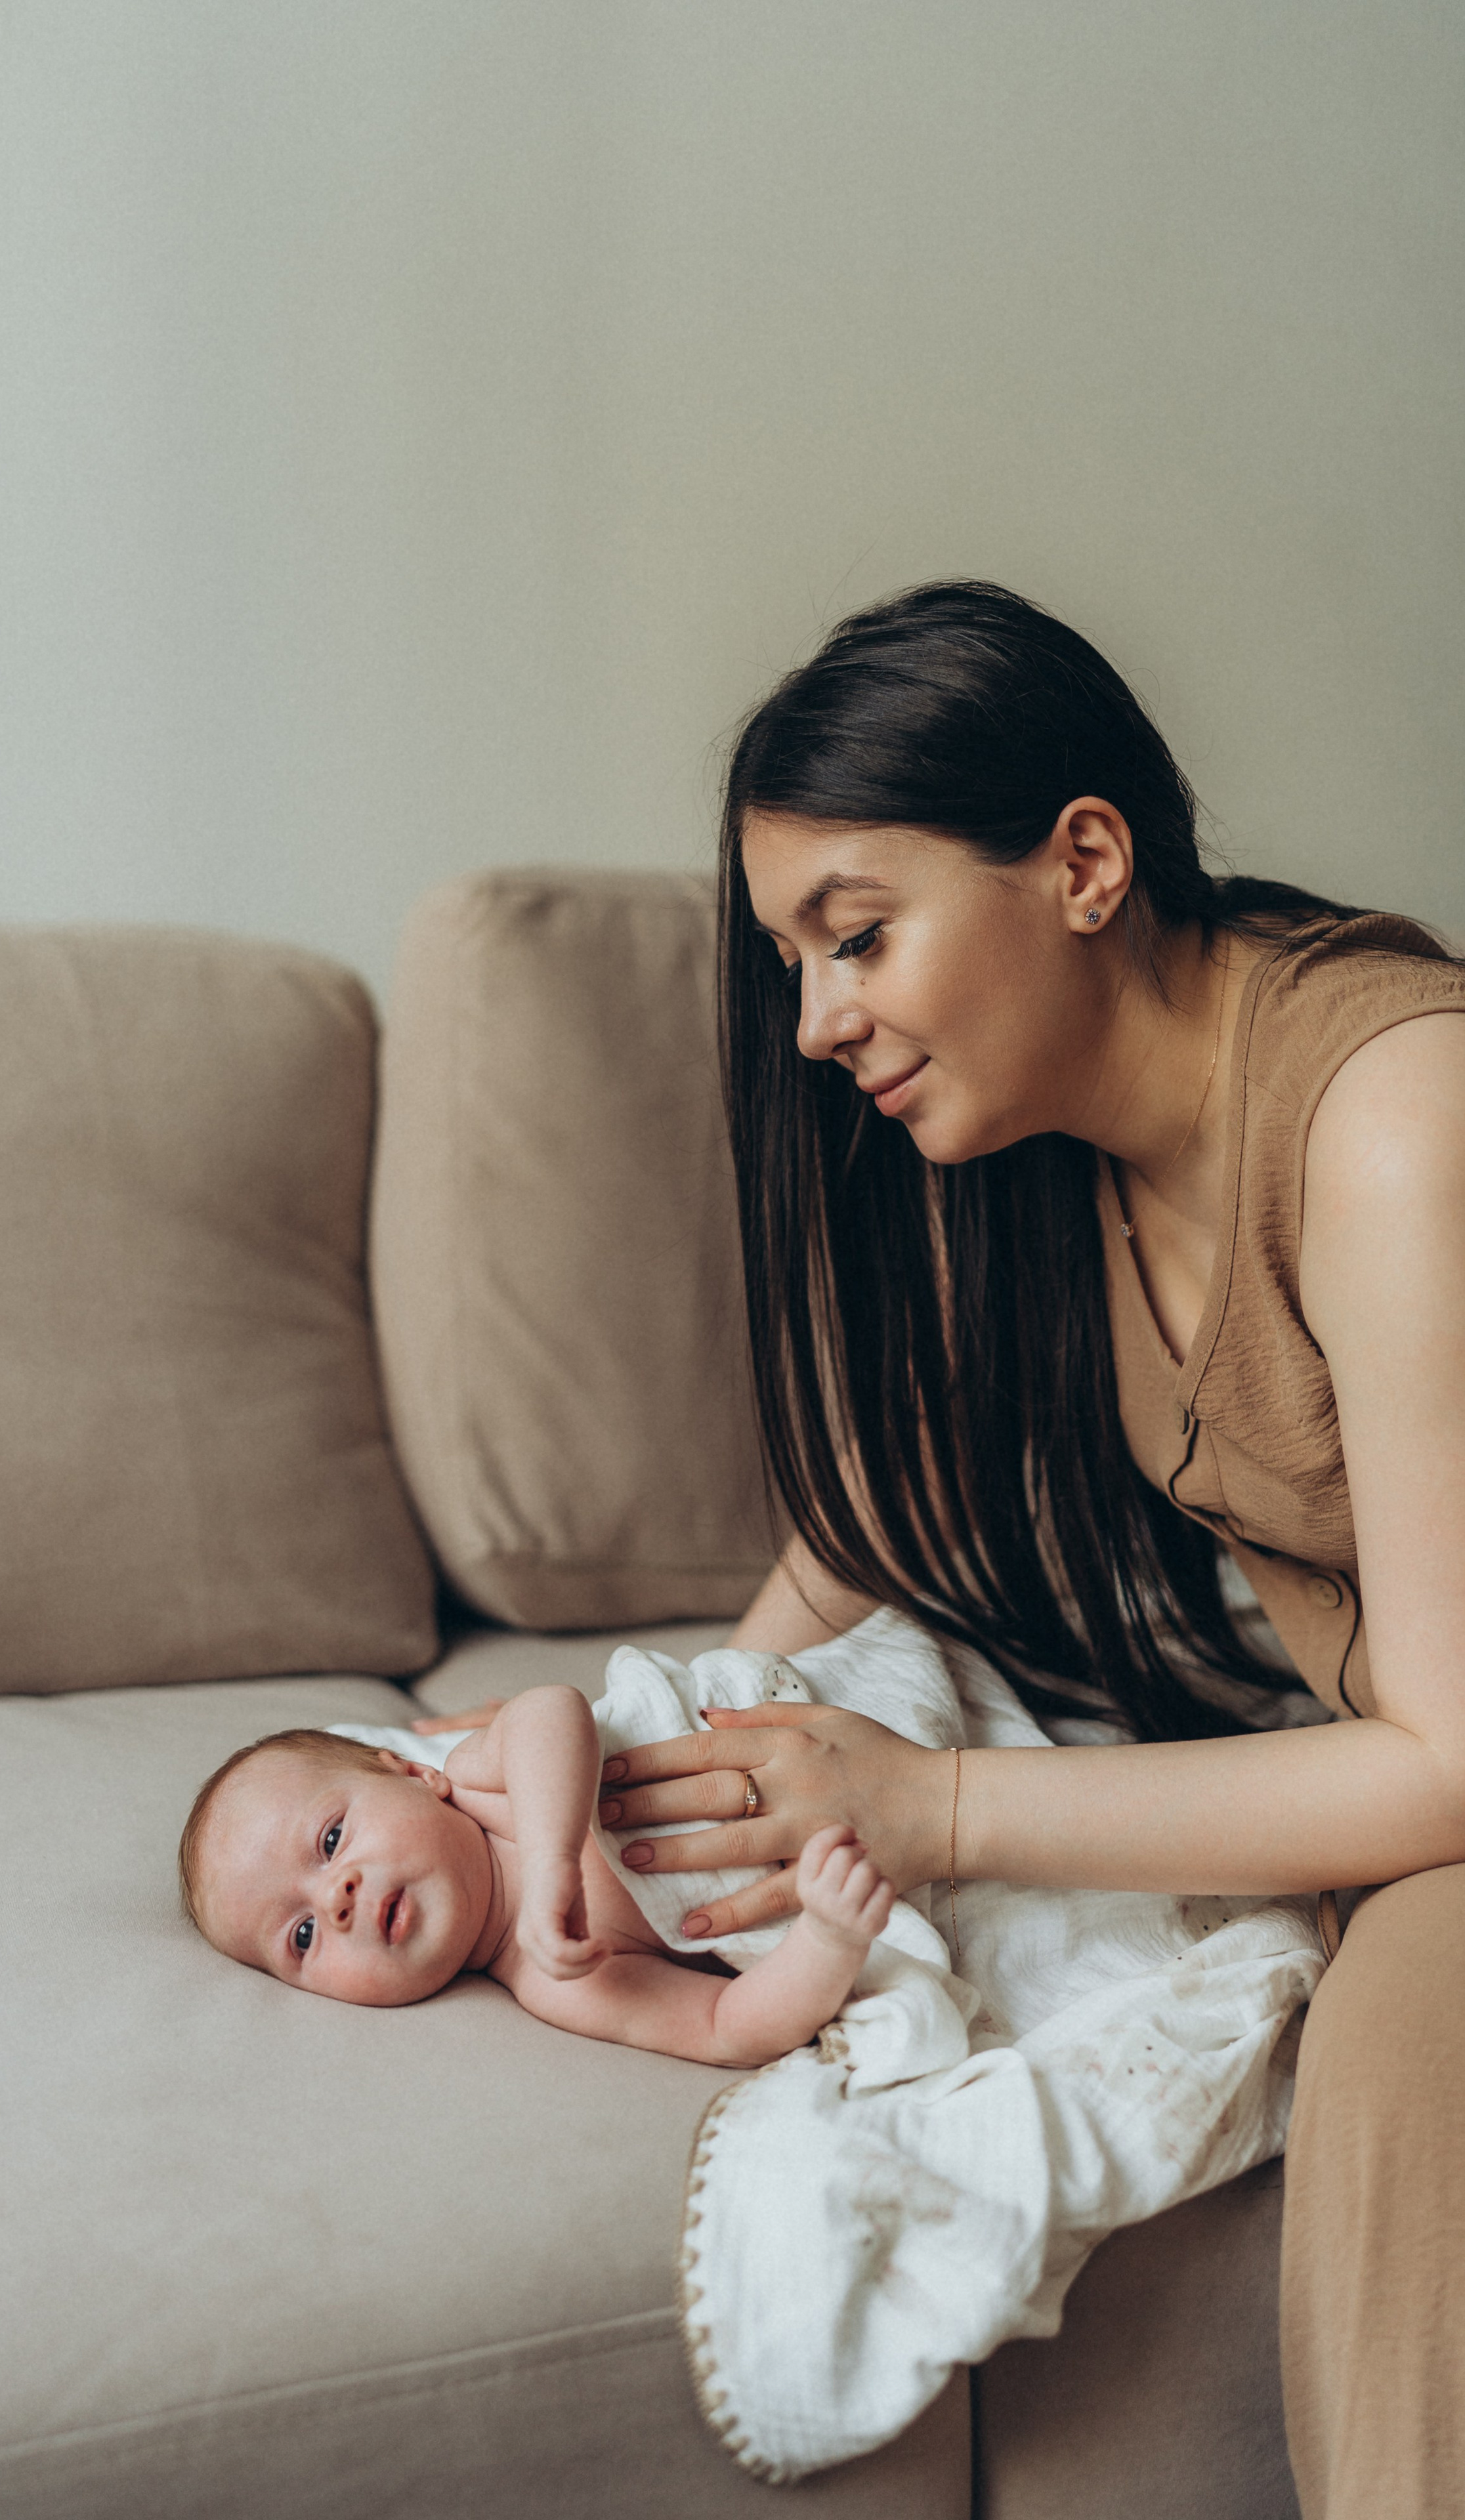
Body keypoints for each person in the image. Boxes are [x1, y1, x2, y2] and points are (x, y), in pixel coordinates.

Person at [526, 581, 1463, 2519]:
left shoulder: (1388, 1113)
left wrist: (931, 1806)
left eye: (854, 935)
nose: (812, 1019)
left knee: (1404, 2032)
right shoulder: (1068, 1166)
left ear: (1083, 861)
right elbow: (888, 1502)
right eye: (793, 958)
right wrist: (676, 1737)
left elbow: (1453, 1756)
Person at [177, 1684, 895, 2066]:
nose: (335, 1900)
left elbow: (554, 1709)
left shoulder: (483, 1783)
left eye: (332, 1838)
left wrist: (554, 1857)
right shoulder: (557, 1983)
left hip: (815, 1715)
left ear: (414, 1775)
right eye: (301, 1936)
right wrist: (827, 1943)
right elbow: (725, 2027)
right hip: (866, 1843)